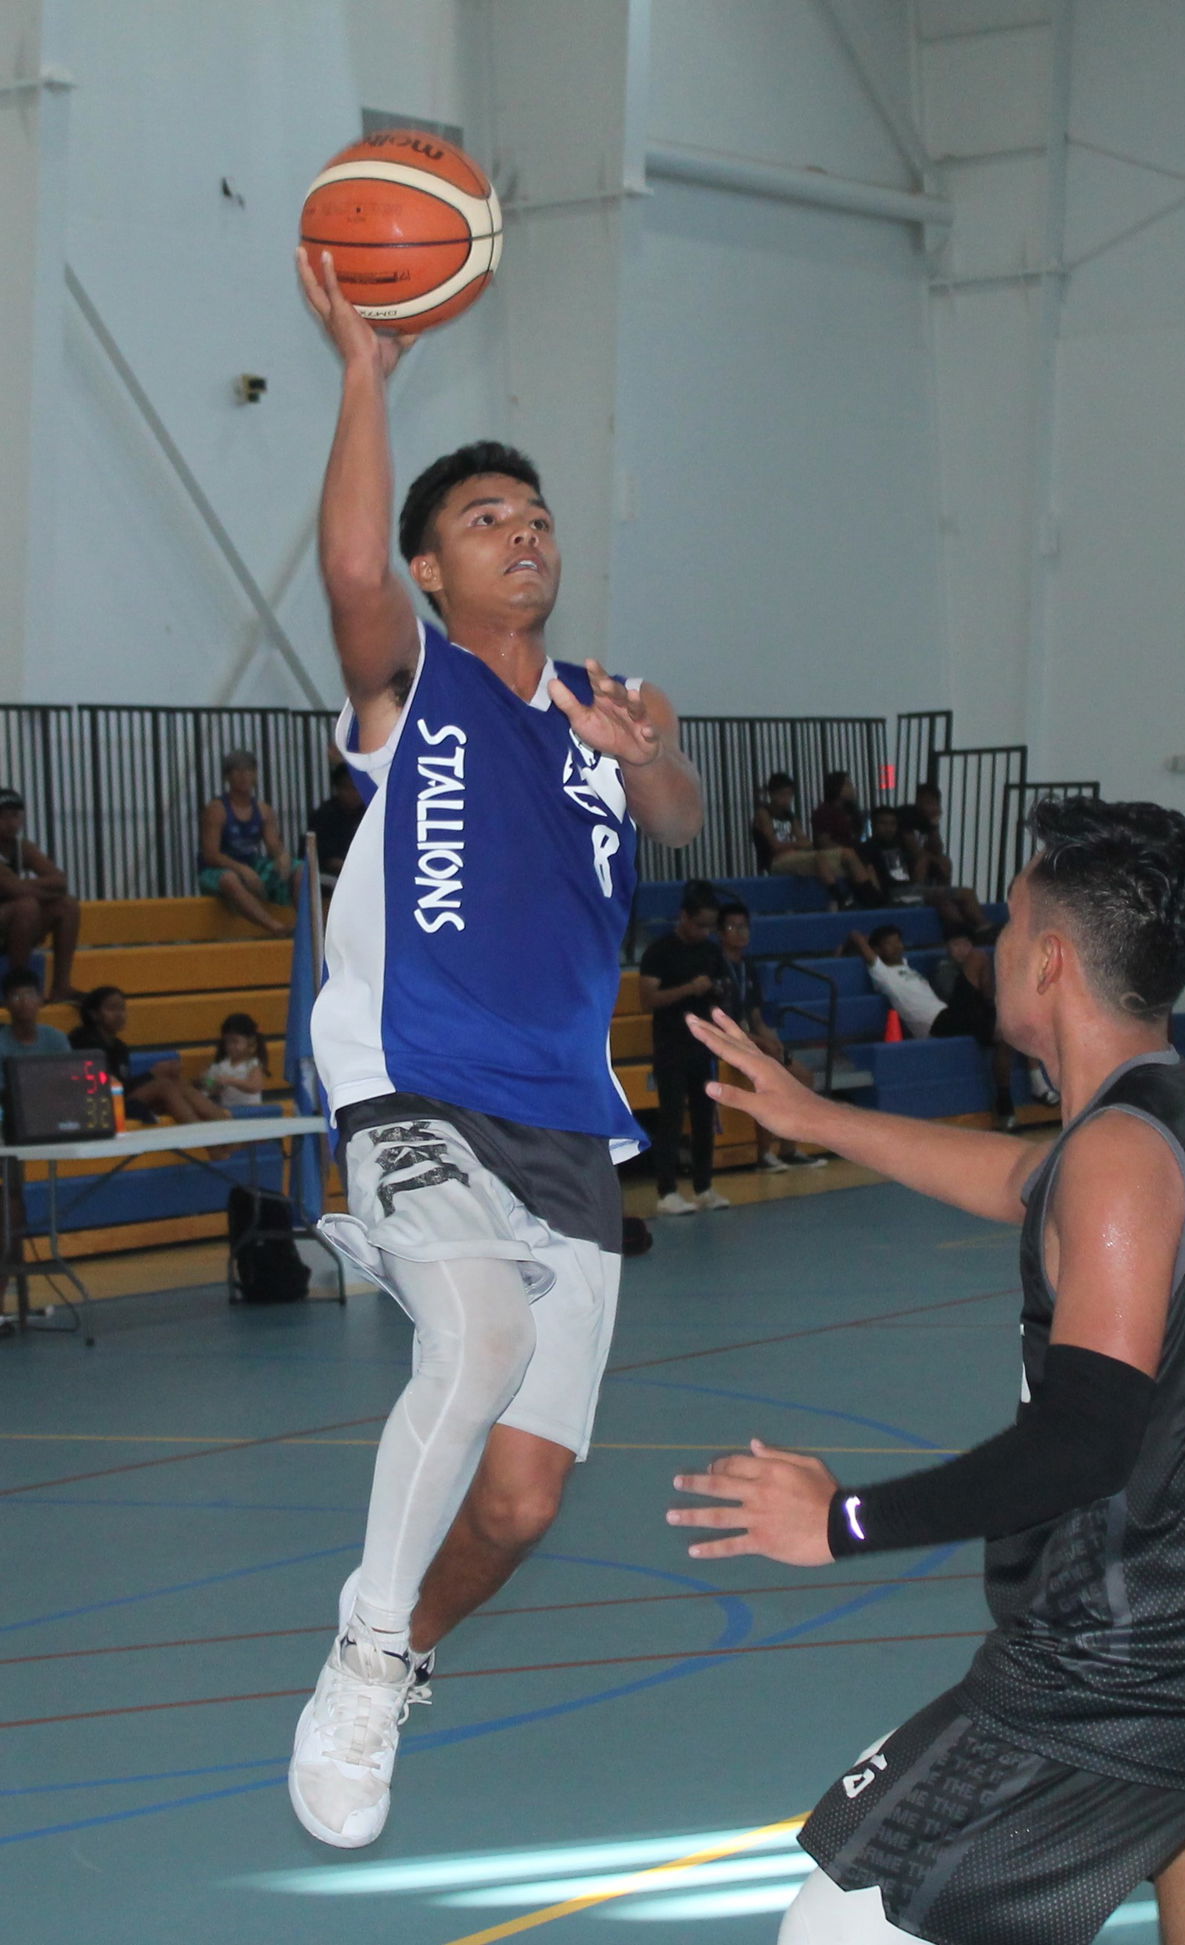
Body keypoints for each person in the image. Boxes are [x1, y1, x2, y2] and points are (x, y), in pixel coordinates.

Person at [671, 798, 1185, 1945]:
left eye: (1009, 921)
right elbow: (1018, 1183)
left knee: (840, 1927)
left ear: (1052, 960)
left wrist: (842, 1520)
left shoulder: (1121, 1155)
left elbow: (1084, 1438)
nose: (991, 942)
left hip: (1142, 1655)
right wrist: (816, 1115)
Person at [288, 245, 702, 1850]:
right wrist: (365, 375)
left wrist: (648, 753)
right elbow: (342, 585)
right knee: (472, 1339)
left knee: (524, 1496)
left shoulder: (604, 696)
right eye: (484, 522)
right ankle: (367, 1644)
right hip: (411, 1083)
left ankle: (399, 1657)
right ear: (433, 571)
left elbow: (670, 819)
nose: (522, 536)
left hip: (562, 1124)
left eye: (535, 518)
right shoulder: (420, 692)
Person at [846, 924, 1018, 1127]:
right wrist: (849, 947)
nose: (897, 946)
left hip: (949, 1015)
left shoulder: (907, 966)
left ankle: (1005, 1102)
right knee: (978, 956)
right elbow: (856, 935)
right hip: (936, 1023)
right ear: (877, 950)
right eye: (889, 944)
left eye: (898, 941)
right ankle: (993, 1009)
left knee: (1006, 1034)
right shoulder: (881, 972)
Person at [639, 881, 731, 1215]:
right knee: (671, 1118)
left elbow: (721, 985)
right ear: (683, 917)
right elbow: (647, 998)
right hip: (670, 1045)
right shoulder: (660, 951)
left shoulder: (711, 951)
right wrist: (689, 988)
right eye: (699, 924)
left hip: (702, 1045)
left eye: (710, 926)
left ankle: (704, 1186)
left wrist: (716, 991)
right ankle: (667, 1191)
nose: (705, 932)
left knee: (705, 1118)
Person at [715, 901, 827, 1174]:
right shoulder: (714, 965)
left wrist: (769, 1037)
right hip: (721, 1038)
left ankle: (788, 1150)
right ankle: (764, 1154)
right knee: (768, 1069)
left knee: (803, 1075)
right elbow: (719, 1019)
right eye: (732, 927)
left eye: (744, 927)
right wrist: (760, 1042)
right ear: (720, 933)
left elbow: (755, 1015)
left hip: (749, 1038)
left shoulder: (749, 967)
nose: (740, 933)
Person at [68, 986, 227, 1125]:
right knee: (164, 1086)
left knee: (176, 1082)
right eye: (112, 1009)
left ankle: (227, 1131)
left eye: (122, 1009)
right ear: (94, 1014)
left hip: (119, 1099)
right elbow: (105, 1087)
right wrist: (151, 1074)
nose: (120, 1014)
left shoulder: (119, 1046)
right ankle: (204, 1140)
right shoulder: (83, 1042)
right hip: (95, 1106)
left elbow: (123, 1085)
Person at [197, 751, 299, 936]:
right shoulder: (217, 809)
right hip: (217, 870)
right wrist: (242, 869)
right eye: (237, 771)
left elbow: (273, 844)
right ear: (228, 777)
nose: (243, 776)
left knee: (299, 868)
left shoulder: (263, 809)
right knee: (230, 879)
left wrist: (281, 856)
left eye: (248, 771)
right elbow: (211, 855)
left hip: (250, 863)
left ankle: (305, 925)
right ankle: (275, 927)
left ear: (255, 774)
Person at [858, 805, 991, 935]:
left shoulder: (900, 845)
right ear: (874, 824)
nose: (889, 828)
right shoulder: (868, 848)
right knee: (966, 893)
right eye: (883, 823)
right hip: (896, 895)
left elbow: (926, 857)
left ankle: (966, 936)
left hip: (910, 891)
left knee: (946, 904)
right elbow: (870, 876)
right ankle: (984, 928)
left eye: (893, 824)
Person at [0, 788, 81, 1001]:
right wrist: (37, 888)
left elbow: (61, 882)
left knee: (67, 905)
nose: (10, 822)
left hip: (12, 925)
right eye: (3, 815)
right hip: (11, 920)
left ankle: (61, 987)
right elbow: (12, 889)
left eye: (15, 815)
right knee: (26, 906)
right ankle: (17, 986)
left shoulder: (22, 847)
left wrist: (22, 886)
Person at [751, 772, 873, 904]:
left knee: (849, 856)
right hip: (775, 861)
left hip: (793, 856)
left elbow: (806, 842)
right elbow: (775, 846)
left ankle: (871, 897)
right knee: (818, 857)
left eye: (789, 795)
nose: (786, 799)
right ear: (772, 794)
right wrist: (797, 845)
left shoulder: (789, 815)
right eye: (782, 795)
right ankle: (839, 898)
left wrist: (796, 845)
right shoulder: (764, 813)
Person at [305, 761, 366, 884]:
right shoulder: (325, 814)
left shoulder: (368, 812)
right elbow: (326, 859)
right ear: (337, 789)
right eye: (346, 788)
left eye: (355, 788)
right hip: (331, 876)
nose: (352, 793)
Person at [203, 1011, 269, 1109]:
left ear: (250, 1042)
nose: (230, 1046)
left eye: (235, 1041)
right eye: (227, 1041)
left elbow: (255, 1086)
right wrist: (210, 1082)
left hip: (251, 1112)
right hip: (229, 1111)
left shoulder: (252, 1064)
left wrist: (232, 1081)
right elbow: (208, 1085)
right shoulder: (221, 1066)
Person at [0, 967, 71, 1059]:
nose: (24, 1002)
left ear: (40, 1000)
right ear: (6, 1003)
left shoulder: (56, 1038)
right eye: (16, 997)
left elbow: (67, 1071)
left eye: (30, 995)